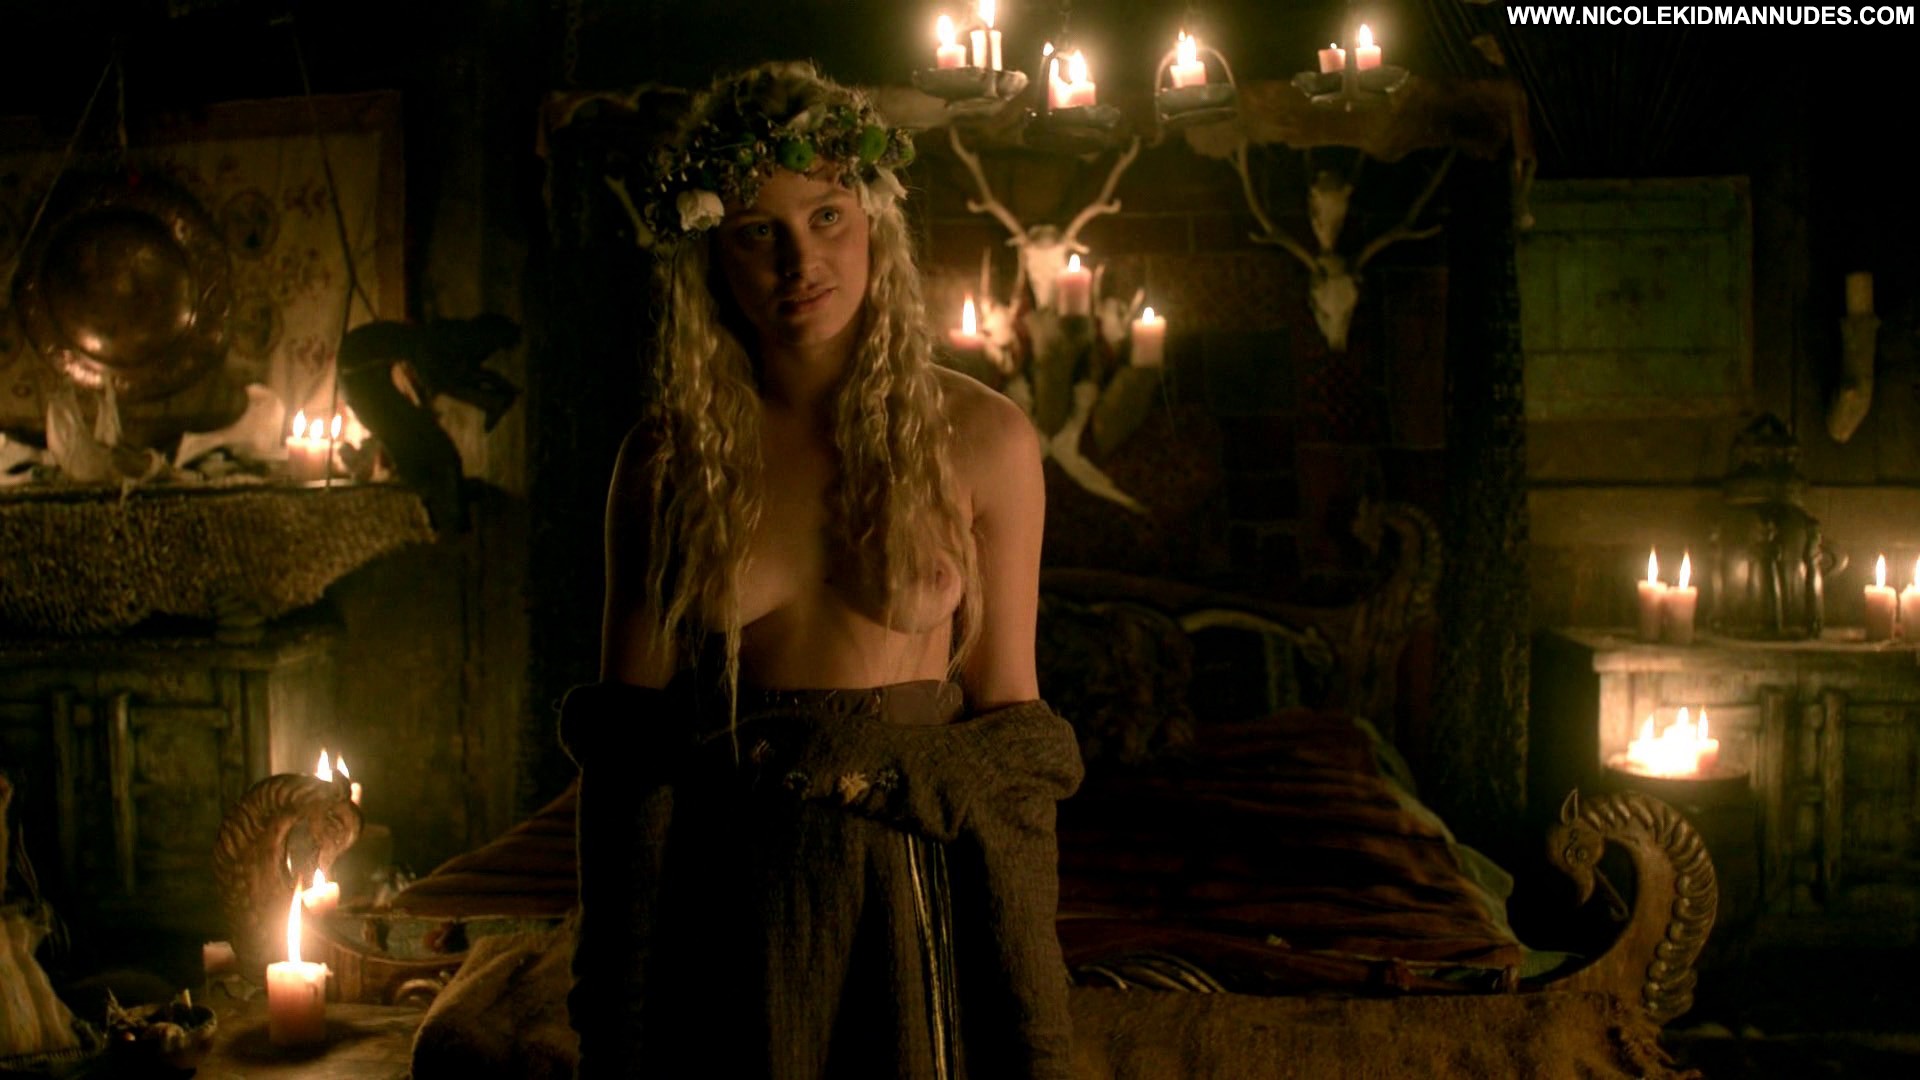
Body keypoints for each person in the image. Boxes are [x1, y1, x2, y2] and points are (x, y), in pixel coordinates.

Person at [558, 61, 1084, 1080]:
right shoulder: (668, 461)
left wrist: (1036, 1029)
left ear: (875, 221)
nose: (802, 261)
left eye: (827, 216)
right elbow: (626, 763)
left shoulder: (983, 440)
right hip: (726, 905)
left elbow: (1013, 745)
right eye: (759, 232)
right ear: (713, 252)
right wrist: (611, 1016)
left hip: (909, 892)